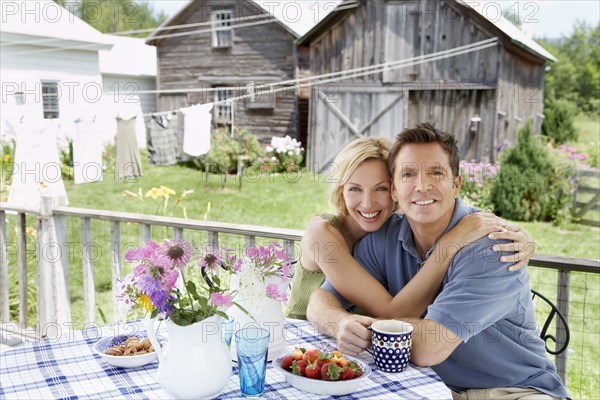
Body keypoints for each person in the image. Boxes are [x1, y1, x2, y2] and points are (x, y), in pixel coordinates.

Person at [307, 123, 569, 399]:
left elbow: (429, 346)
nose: (422, 186)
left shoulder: (493, 248)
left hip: (514, 390)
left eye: (435, 172)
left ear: (456, 185)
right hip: (425, 386)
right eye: (408, 174)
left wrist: (366, 332)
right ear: (395, 190)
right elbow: (319, 301)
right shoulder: (382, 237)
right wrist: (340, 323)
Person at [286, 136, 535, 321]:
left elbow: (444, 204)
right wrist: (450, 244)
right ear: (340, 191)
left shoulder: (392, 231)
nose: (367, 203)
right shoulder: (323, 234)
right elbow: (391, 313)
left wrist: (522, 238)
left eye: (380, 188)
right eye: (354, 188)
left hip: (359, 352)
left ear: (395, 191)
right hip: (303, 340)